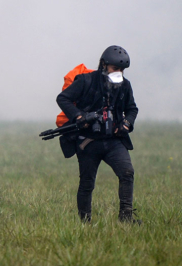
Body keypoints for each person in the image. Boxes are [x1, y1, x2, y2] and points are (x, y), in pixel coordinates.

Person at [56, 45, 140, 224]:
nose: (119, 73)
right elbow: (62, 98)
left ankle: (126, 217)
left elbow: (132, 109)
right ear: (104, 65)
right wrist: (79, 116)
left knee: (127, 173)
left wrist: (127, 124)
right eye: (115, 68)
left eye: (122, 70)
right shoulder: (85, 81)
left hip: (114, 141)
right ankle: (85, 223)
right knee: (87, 183)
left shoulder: (125, 85)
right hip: (88, 142)